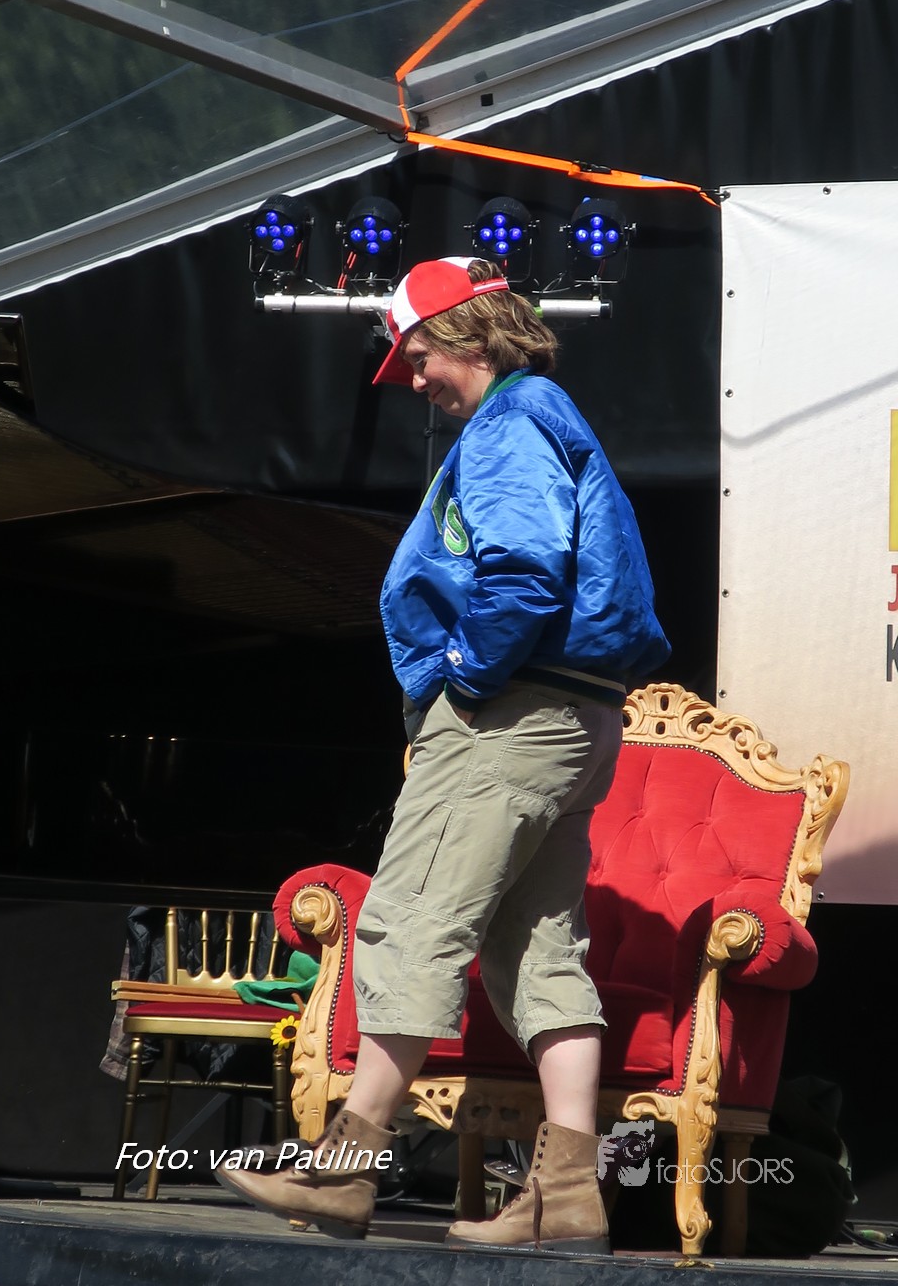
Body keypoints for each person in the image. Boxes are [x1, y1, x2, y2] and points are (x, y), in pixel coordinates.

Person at [216, 255, 670, 1252]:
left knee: (413, 918)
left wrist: (464, 675)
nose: (412, 377)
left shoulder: (511, 423)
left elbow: (526, 571)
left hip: (511, 716)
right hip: (576, 719)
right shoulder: (546, 417)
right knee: (539, 952)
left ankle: (344, 1168)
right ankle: (567, 1196)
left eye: (417, 354)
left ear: (469, 334)